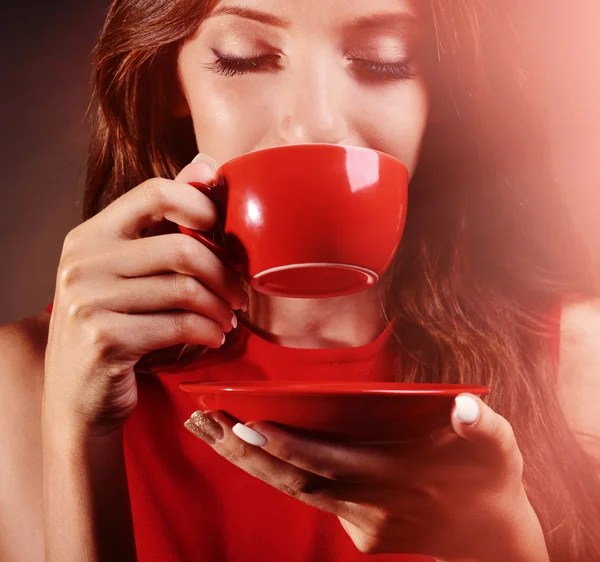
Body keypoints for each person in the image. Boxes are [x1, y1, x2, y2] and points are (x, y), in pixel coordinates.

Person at [1, 0, 599, 560]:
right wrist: (77, 433)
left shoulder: (581, 363)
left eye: (382, 60)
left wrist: (501, 543)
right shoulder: (28, 377)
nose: (314, 122)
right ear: (170, 85)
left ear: (437, 93)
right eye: (245, 58)